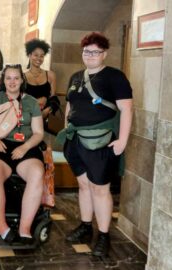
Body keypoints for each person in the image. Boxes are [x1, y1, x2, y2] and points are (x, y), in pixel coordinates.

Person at [60, 32, 133, 256]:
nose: (90, 55)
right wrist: (66, 130)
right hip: (76, 141)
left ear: (104, 54)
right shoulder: (76, 76)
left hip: (101, 143)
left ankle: (103, 235)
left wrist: (122, 140)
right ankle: (85, 226)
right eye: (86, 51)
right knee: (83, 185)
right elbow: (70, 107)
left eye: (95, 52)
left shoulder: (114, 77)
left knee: (100, 189)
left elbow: (127, 109)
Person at [0, 64, 44, 245]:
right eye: (8, 78)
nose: (12, 82)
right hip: (0, 145)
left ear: (22, 80)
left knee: (37, 173)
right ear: (3, 80)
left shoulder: (31, 102)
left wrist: (24, 148)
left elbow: (38, 133)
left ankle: (24, 228)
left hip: (27, 146)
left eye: (16, 78)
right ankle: (3, 228)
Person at [24, 39, 57, 121]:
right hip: (26, 118)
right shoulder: (22, 77)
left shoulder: (50, 75)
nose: (39, 58)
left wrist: (45, 112)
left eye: (42, 56)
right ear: (29, 55)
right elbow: (19, 100)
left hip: (44, 118)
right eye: (36, 55)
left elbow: (54, 99)